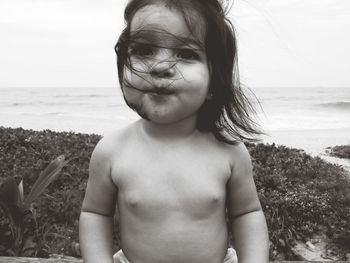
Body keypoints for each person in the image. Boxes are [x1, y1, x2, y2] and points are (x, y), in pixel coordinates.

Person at [79, 0, 269, 262]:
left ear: (215, 77)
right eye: (144, 50)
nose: (161, 67)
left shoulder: (229, 150)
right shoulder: (112, 150)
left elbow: (246, 214)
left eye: (186, 54)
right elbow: (95, 214)